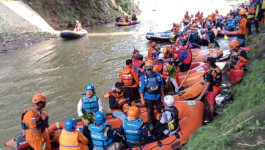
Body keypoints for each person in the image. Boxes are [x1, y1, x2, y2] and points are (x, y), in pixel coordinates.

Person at [77, 83, 103, 149]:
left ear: (93, 92)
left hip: (95, 118)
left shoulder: (97, 99)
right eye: (87, 91)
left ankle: (97, 143)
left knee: (98, 130)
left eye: (90, 91)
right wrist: (85, 120)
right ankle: (88, 145)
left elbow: (101, 109)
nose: (88, 92)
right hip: (86, 118)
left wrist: (97, 118)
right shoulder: (82, 100)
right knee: (86, 130)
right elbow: (79, 110)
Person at [139, 60, 164, 130]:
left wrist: (162, 95)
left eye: (150, 69)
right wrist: (142, 99)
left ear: (153, 68)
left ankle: (163, 121)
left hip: (157, 96)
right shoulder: (143, 78)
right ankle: (150, 124)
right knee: (149, 111)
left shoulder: (158, 75)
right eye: (148, 69)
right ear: (145, 69)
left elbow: (161, 85)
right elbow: (141, 89)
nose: (149, 71)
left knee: (161, 109)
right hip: (148, 97)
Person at [196, 57, 222, 123]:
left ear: (209, 63)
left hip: (212, 90)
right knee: (213, 103)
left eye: (206, 62)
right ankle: (214, 113)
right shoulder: (217, 68)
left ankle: (211, 120)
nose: (206, 63)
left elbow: (207, 85)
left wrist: (200, 96)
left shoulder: (210, 73)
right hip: (218, 88)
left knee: (211, 104)